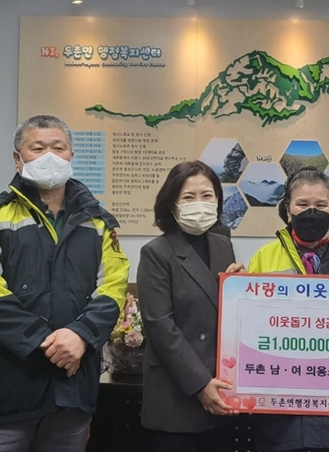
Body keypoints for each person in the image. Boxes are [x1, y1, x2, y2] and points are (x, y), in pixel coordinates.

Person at [0, 115, 130, 452]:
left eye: (58, 147)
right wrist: (45, 343)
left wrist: (80, 336)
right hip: (4, 392)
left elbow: (113, 287)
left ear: (71, 155)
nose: (49, 155)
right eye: (37, 148)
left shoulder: (98, 223)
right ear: (17, 157)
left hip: (72, 392)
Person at [248, 166, 329, 452]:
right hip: (280, 397)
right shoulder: (264, 257)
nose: (311, 212)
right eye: (302, 204)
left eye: (321, 205)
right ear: (287, 210)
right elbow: (250, 326)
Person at [136, 160, 243, 452]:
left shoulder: (223, 245)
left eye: (207, 195)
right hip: (177, 396)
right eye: (188, 197)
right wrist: (200, 384)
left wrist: (240, 289)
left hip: (220, 391)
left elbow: (221, 309)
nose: (199, 203)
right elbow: (160, 327)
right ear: (171, 205)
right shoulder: (156, 252)